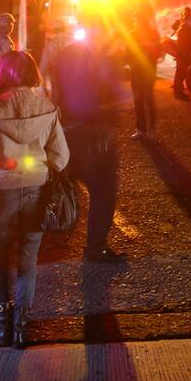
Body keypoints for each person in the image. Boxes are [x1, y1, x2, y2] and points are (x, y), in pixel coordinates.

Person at [0, 51, 69, 348]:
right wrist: (37, 162)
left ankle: (2, 326)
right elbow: (61, 158)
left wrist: (5, 161)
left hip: (1, 190)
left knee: (1, 256)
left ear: (1, 74)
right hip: (37, 187)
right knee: (28, 258)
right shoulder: (47, 108)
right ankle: (21, 327)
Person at [51, 17, 125, 263]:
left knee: (65, 182)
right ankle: (96, 247)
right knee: (104, 189)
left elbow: (56, 89)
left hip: (68, 130)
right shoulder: (94, 58)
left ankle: (48, 233)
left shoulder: (68, 53)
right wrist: (105, 116)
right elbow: (83, 100)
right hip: (90, 134)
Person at [126, 0, 161, 139]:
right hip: (136, 70)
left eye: (138, 19)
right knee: (138, 99)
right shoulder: (132, 34)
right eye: (136, 20)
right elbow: (127, 52)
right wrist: (130, 61)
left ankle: (151, 129)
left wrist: (146, 56)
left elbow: (157, 51)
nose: (136, 22)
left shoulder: (152, 33)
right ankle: (141, 129)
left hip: (147, 69)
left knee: (148, 98)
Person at [171, 7, 191, 100]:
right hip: (185, 52)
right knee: (182, 72)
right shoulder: (184, 25)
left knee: (182, 72)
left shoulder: (189, 23)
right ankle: (178, 92)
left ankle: (179, 91)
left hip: (184, 51)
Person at [38, 20, 73, 97]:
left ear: (54, 30)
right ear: (65, 28)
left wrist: (44, 89)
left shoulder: (49, 45)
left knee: (57, 100)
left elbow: (42, 69)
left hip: (56, 80)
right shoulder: (72, 41)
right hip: (72, 79)